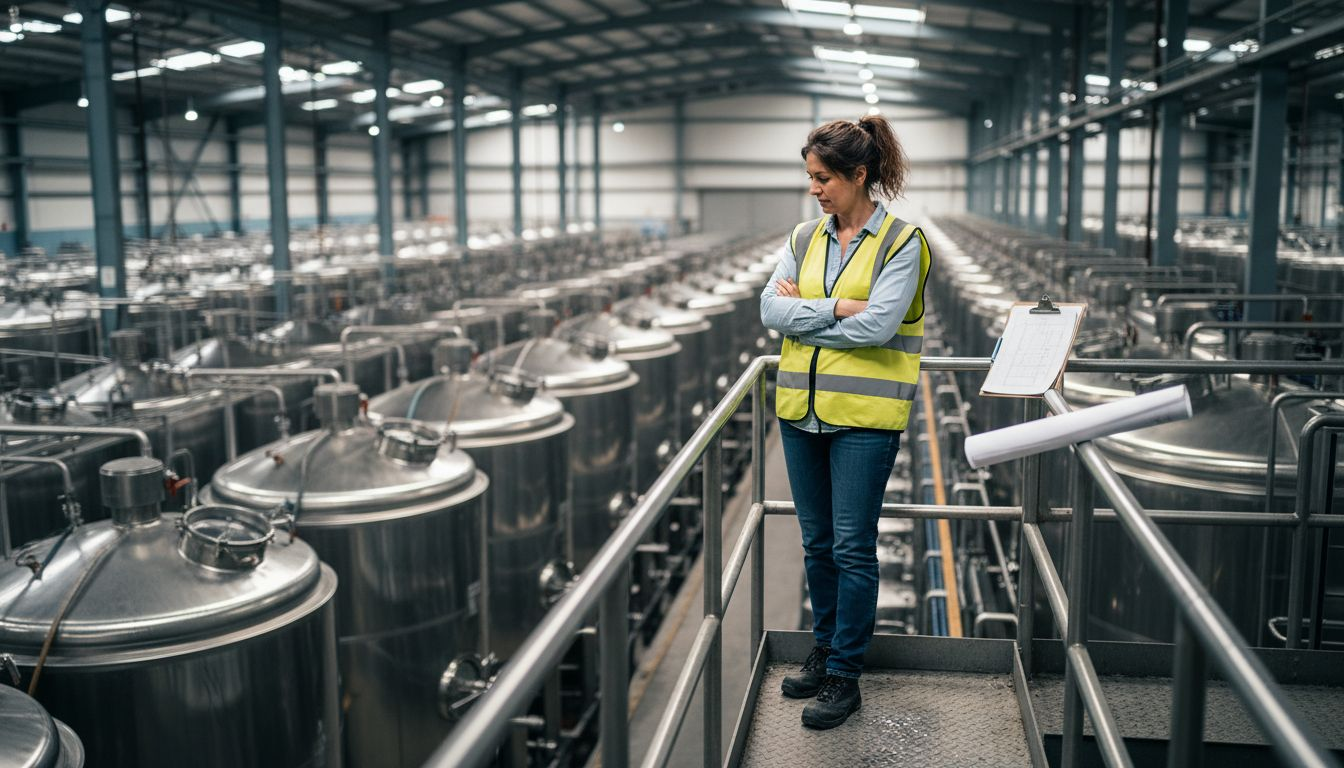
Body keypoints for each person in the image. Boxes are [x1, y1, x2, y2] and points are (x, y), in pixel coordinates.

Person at [758, 115, 931, 729]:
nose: (815, 189)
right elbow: (768, 310)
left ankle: (844, 674)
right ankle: (823, 647)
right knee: (817, 545)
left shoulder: (902, 244)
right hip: (799, 414)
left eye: (824, 177)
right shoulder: (805, 239)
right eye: (810, 177)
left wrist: (805, 314)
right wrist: (835, 306)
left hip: (864, 418)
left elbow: (879, 326)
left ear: (860, 175)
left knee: (854, 548)